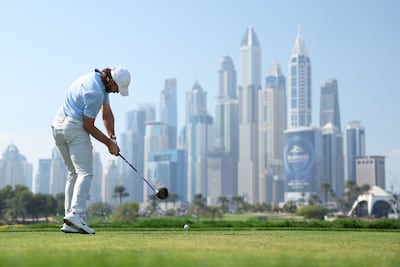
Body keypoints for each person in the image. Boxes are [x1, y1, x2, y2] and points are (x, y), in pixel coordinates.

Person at [52, 66, 131, 234]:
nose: (117, 92)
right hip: (74, 127)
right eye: (117, 88)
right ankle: (77, 214)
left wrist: (113, 138)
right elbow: (89, 125)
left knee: (73, 173)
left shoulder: (96, 81)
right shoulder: (96, 92)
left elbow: (107, 114)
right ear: (111, 81)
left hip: (58, 127)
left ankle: (70, 220)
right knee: (85, 172)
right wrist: (109, 144)